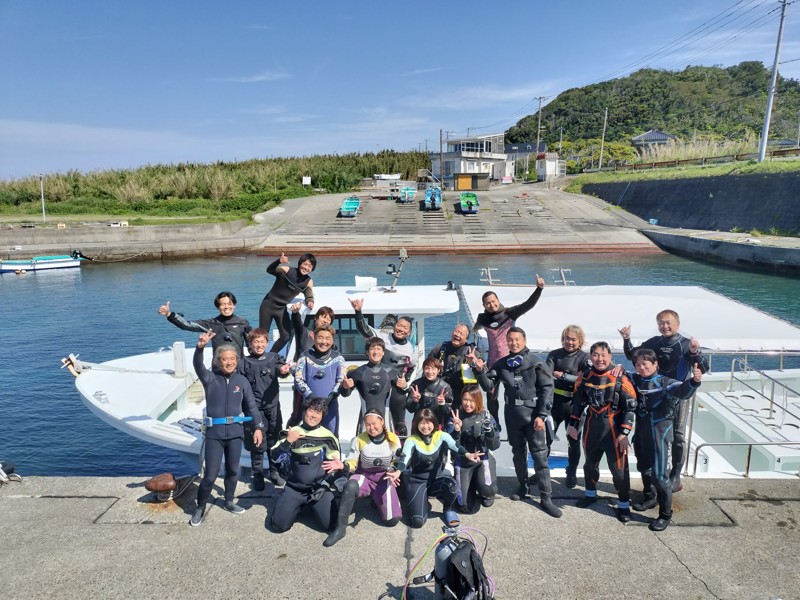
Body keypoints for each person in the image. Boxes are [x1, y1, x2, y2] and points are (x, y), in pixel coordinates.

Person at [475, 326, 562, 518]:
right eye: (510, 340)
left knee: (539, 456)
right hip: (513, 413)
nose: (513, 343)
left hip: (533, 415)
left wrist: (542, 415)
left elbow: (547, 389)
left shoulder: (536, 363)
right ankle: (523, 486)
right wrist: (480, 369)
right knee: (518, 452)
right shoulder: (501, 364)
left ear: (524, 340)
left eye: (517, 340)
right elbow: (488, 385)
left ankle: (546, 497)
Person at [619, 309, 709, 492]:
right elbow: (632, 356)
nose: (664, 326)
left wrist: (695, 352)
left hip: (678, 393)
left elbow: (704, 367)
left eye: (668, 322)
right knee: (651, 435)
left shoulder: (685, 344)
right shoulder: (654, 342)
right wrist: (627, 339)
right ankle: (655, 475)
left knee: (678, 437)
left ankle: (675, 475)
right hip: (656, 394)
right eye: (661, 322)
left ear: (678, 324)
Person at [190, 331, 263, 527]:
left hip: (236, 434)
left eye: (232, 359)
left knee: (233, 471)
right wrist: (200, 347)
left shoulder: (242, 381)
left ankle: (229, 501)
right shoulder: (210, 379)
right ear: (218, 361)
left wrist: (257, 427)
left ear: (236, 361)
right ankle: (200, 507)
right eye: (225, 359)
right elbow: (198, 365)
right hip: (214, 435)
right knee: (210, 476)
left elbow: (252, 407)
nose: (229, 362)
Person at [629, 348, 703, 531]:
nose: (641, 367)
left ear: (655, 364)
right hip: (641, 434)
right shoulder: (636, 379)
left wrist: (694, 381)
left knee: (660, 477)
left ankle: (665, 514)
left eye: (645, 364)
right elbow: (618, 374)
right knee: (644, 468)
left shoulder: (666, 383)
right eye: (638, 364)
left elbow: (684, 392)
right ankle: (650, 497)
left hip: (660, 436)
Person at [567, 341, 637, 523]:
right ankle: (590, 495)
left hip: (613, 429)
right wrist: (572, 425)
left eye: (603, 355)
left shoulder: (620, 377)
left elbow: (630, 407)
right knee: (589, 465)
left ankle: (623, 506)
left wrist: (624, 433)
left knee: (619, 470)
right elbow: (578, 404)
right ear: (591, 357)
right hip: (591, 427)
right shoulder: (585, 377)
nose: (600, 359)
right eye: (596, 355)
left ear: (610, 356)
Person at [390, 408, 482, 528]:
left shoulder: (441, 436)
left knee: (452, 486)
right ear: (416, 423)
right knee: (417, 522)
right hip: (417, 482)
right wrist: (398, 471)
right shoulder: (411, 440)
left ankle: (448, 510)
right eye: (422, 422)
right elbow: (405, 458)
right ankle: (421, 501)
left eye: (428, 422)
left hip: (436, 481)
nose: (425, 426)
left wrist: (468, 454)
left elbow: (455, 445)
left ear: (434, 423)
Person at [323, 409, 403, 546]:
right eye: (368, 425)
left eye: (374, 424)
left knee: (392, 521)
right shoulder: (359, 440)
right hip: (364, 477)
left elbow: (399, 460)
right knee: (351, 485)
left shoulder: (393, 438)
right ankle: (340, 528)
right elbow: (352, 463)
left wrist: (395, 470)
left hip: (384, 479)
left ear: (382, 421)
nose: (371, 428)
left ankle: (377, 501)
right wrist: (343, 465)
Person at [473, 275, 545, 424]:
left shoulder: (509, 313)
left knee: (517, 391)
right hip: (493, 361)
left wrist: (539, 289)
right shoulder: (482, 318)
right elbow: (475, 330)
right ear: (484, 305)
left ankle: (525, 419)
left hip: (512, 360)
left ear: (498, 301)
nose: (491, 305)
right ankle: (495, 424)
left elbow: (528, 304)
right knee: (491, 394)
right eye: (488, 303)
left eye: (493, 301)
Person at [268, 397, 342, 534]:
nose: (313, 415)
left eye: (318, 413)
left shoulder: (328, 437)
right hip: (294, 488)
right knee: (278, 526)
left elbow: (334, 466)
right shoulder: (290, 432)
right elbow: (275, 458)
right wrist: (288, 442)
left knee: (330, 525)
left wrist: (326, 484)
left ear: (322, 416)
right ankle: (298, 505)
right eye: (311, 410)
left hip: (318, 489)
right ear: (304, 411)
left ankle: (312, 505)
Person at [348, 297, 417, 436]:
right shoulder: (382, 338)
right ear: (394, 325)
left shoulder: (411, 350)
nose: (401, 329)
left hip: (397, 392)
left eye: (405, 328)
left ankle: (399, 454)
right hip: (379, 388)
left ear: (409, 332)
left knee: (399, 426)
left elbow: (412, 369)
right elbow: (364, 329)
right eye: (399, 325)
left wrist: (405, 383)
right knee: (372, 421)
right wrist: (358, 312)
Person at [238, 328, 291, 490]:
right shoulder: (243, 363)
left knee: (274, 442)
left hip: (273, 408)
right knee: (257, 444)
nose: (259, 345)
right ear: (250, 344)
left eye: (262, 341)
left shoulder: (274, 358)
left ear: (267, 343)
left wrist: (283, 371)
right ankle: (258, 474)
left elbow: (283, 371)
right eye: (256, 342)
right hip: (254, 410)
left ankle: (274, 472)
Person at [546, 324, 591, 489]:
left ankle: (571, 472)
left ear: (580, 341)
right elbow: (547, 374)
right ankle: (541, 471)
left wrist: (563, 376)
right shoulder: (554, 355)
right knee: (546, 440)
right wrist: (573, 378)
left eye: (573, 339)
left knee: (573, 441)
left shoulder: (584, 358)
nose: (569, 342)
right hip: (555, 405)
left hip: (574, 406)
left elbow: (584, 381)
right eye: (567, 338)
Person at [339, 337, 408, 434]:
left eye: (379, 349)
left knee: (388, 447)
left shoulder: (392, 372)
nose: (376, 352)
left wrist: (405, 386)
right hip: (365, 423)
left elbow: (402, 395)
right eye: (372, 349)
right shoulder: (358, 372)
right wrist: (345, 387)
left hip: (386, 422)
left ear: (383, 352)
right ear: (367, 352)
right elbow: (344, 394)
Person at [451, 385, 500, 513]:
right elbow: (451, 446)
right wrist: (456, 431)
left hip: (482, 459)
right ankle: (471, 483)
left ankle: (481, 484)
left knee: (489, 491)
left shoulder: (486, 416)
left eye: (472, 400)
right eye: (465, 399)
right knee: (464, 505)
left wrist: (489, 431)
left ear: (478, 400)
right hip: (464, 461)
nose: (468, 404)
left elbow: (495, 445)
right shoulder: (456, 416)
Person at [158, 291, 251, 356]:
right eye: (222, 304)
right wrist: (169, 314)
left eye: (229, 303)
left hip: (239, 367)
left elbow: (252, 344)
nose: (226, 307)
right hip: (219, 368)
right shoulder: (211, 324)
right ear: (218, 307)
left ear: (234, 305)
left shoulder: (242, 323)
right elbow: (187, 325)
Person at [259, 252, 316, 354]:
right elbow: (269, 270)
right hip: (268, 305)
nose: (306, 267)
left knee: (286, 336)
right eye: (305, 264)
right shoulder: (287, 270)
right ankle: (256, 355)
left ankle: (271, 356)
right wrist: (279, 261)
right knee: (262, 335)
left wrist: (310, 301)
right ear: (300, 264)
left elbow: (308, 294)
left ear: (312, 269)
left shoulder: (308, 281)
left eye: (309, 266)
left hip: (281, 309)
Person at [292, 325, 345, 436]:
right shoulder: (305, 357)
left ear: (332, 340)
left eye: (327, 338)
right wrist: (311, 397)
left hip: (330, 405)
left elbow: (341, 379)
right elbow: (298, 379)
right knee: (310, 436)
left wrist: (331, 397)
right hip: (310, 405)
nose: (323, 342)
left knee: (332, 436)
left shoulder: (338, 358)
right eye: (320, 337)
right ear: (314, 338)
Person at [428, 324, 478, 409]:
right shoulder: (441, 348)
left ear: (467, 338)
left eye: (461, 334)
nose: (457, 335)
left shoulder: (470, 352)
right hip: (440, 390)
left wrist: (471, 364)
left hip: (460, 392)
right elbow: (427, 366)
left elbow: (471, 383)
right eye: (456, 331)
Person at [405, 357, 453, 431]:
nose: (430, 372)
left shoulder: (445, 387)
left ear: (438, 370)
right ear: (423, 370)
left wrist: (442, 404)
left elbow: (447, 412)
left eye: (433, 368)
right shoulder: (416, 384)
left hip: (437, 423)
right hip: (419, 424)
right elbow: (410, 409)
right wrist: (415, 401)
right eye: (427, 368)